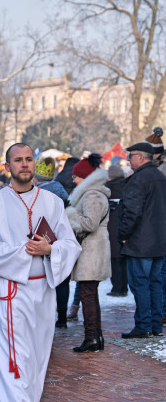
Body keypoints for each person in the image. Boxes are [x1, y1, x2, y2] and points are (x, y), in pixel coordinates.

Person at [0, 143, 80, 402]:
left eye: (28, 159)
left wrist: (50, 250)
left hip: (42, 290)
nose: (24, 164)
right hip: (9, 290)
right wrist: (24, 253)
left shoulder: (52, 202)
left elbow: (71, 244)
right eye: (18, 160)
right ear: (7, 167)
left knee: (36, 356)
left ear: (35, 164)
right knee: (13, 356)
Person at [118, 141, 166, 338]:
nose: (129, 160)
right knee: (155, 284)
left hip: (140, 242)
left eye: (131, 156)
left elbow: (132, 211)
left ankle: (144, 326)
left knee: (141, 285)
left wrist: (123, 235)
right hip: (158, 241)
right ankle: (154, 325)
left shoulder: (139, 179)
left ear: (140, 157)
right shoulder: (160, 177)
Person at [66, 154, 111, 353]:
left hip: (92, 252)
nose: (73, 179)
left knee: (87, 295)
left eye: (76, 176)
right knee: (89, 294)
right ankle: (95, 337)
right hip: (91, 251)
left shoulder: (93, 195)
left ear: (84, 177)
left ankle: (92, 337)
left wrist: (70, 214)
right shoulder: (91, 194)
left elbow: (90, 224)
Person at [34, 157, 70, 328]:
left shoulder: (34, 193)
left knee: (42, 278)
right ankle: (62, 316)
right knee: (62, 278)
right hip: (60, 238)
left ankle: (43, 316)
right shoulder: (61, 191)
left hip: (39, 238)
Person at [106, 165, 128, 297]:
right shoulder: (128, 186)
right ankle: (124, 288)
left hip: (111, 227)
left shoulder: (108, 189)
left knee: (115, 260)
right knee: (124, 260)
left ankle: (117, 288)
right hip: (126, 226)